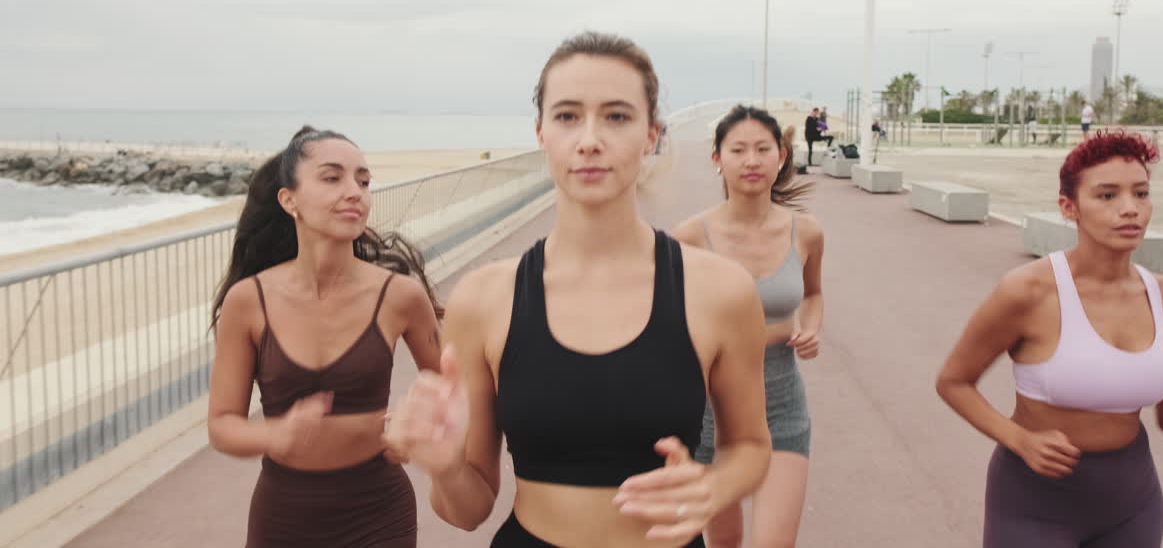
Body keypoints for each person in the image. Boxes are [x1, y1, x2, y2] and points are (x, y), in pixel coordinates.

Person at [384, 31, 772, 547]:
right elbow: (468, 509)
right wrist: (444, 464)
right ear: (542, 132)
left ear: (652, 134)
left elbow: (750, 446)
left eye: (616, 116)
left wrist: (713, 484)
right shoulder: (484, 300)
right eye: (567, 116)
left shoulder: (719, 290)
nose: (590, 139)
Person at [936, 131, 1163, 548]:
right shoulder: (1028, 292)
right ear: (1069, 207)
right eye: (1107, 196)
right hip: (1033, 501)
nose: (1130, 209)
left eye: (1141, 193)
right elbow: (953, 381)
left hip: (1131, 503)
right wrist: (1019, 439)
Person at [207, 127, 444, 547]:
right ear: (289, 199)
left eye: (364, 181)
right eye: (333, 178)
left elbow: (456, 386)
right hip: (282, 519)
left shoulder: (400, 297)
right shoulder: (249, 301)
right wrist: (275, 435)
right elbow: (223, 425)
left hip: (379, 514)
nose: (355, 191)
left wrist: (420, 421)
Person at [671, 104, 825, 548]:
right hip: (706, 412)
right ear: (718, 158)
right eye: (738, 149)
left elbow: (813, 294)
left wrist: (811, 327)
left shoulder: (807, 232)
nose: (752, 160)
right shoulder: (689, 238)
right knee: (723, 542)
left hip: (780, 403)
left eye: (763, 149)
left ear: (781, 155)